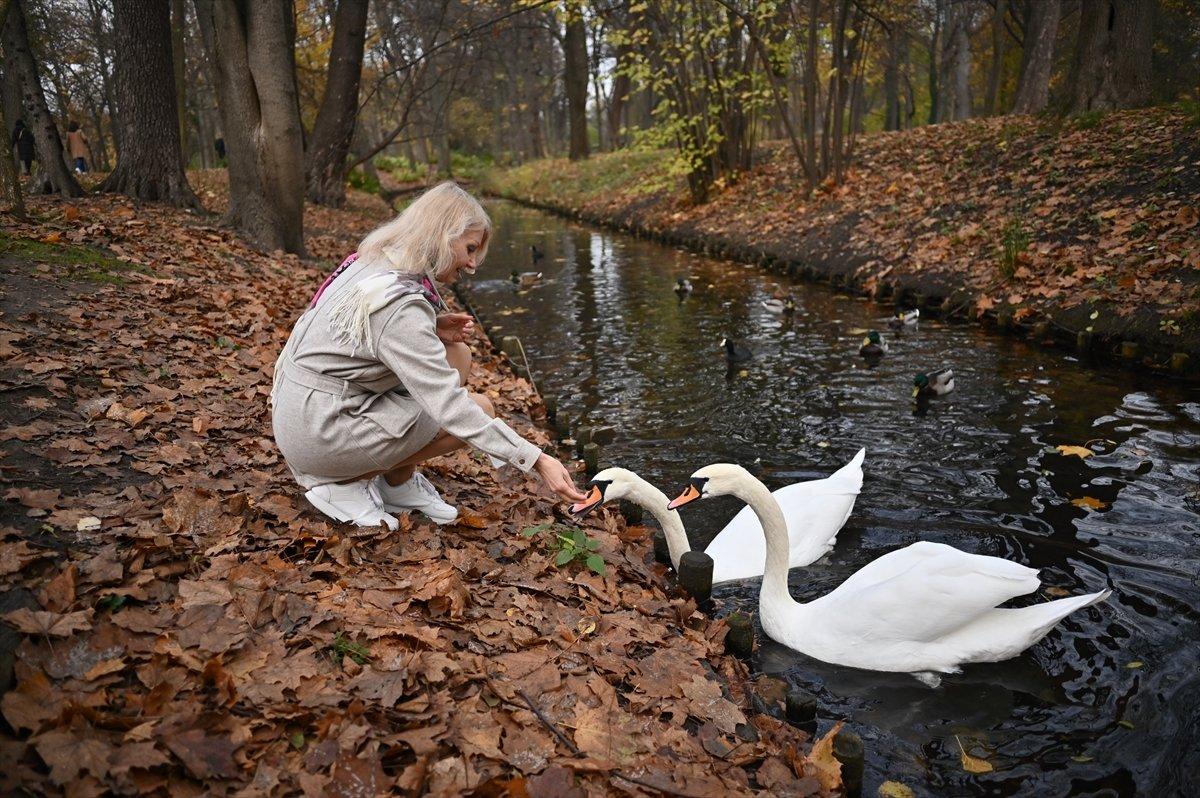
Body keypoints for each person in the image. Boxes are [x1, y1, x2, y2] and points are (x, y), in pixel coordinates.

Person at [271, 182, 586, 528]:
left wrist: (432, 326)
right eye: (468, 249)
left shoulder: (377, 262)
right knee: (479, 409)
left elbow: (360, 337)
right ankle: (339, 484)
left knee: (458, 355)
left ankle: (397, 484)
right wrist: (536, 459)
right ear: (440, 235)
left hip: (304, 408)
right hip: (317, 432)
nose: (471, 264)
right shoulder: (400, 306)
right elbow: (448, 406)